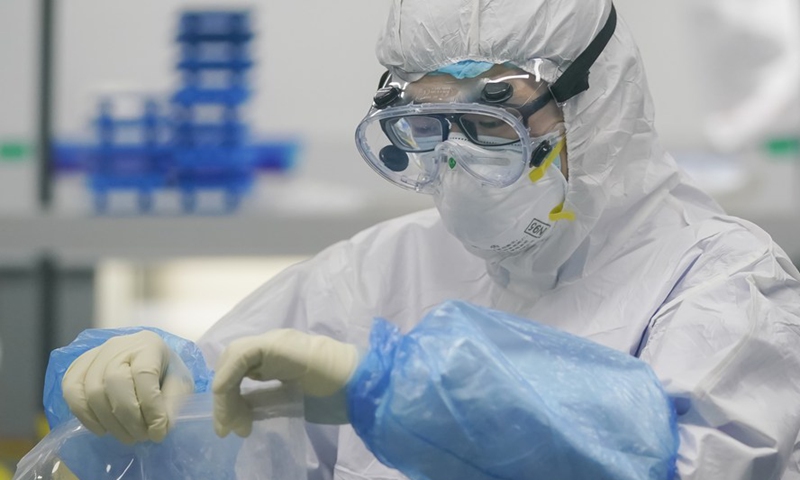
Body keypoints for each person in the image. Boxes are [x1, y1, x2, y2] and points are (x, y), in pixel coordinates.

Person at [44, 0, 800, 479]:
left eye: (492, 121)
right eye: (427, 124)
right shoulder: (378, 268)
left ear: (595, 105)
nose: (456, 158)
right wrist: (155, 399)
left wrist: (408, 396)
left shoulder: (722, 280)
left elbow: (702, 465)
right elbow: (236, 449)